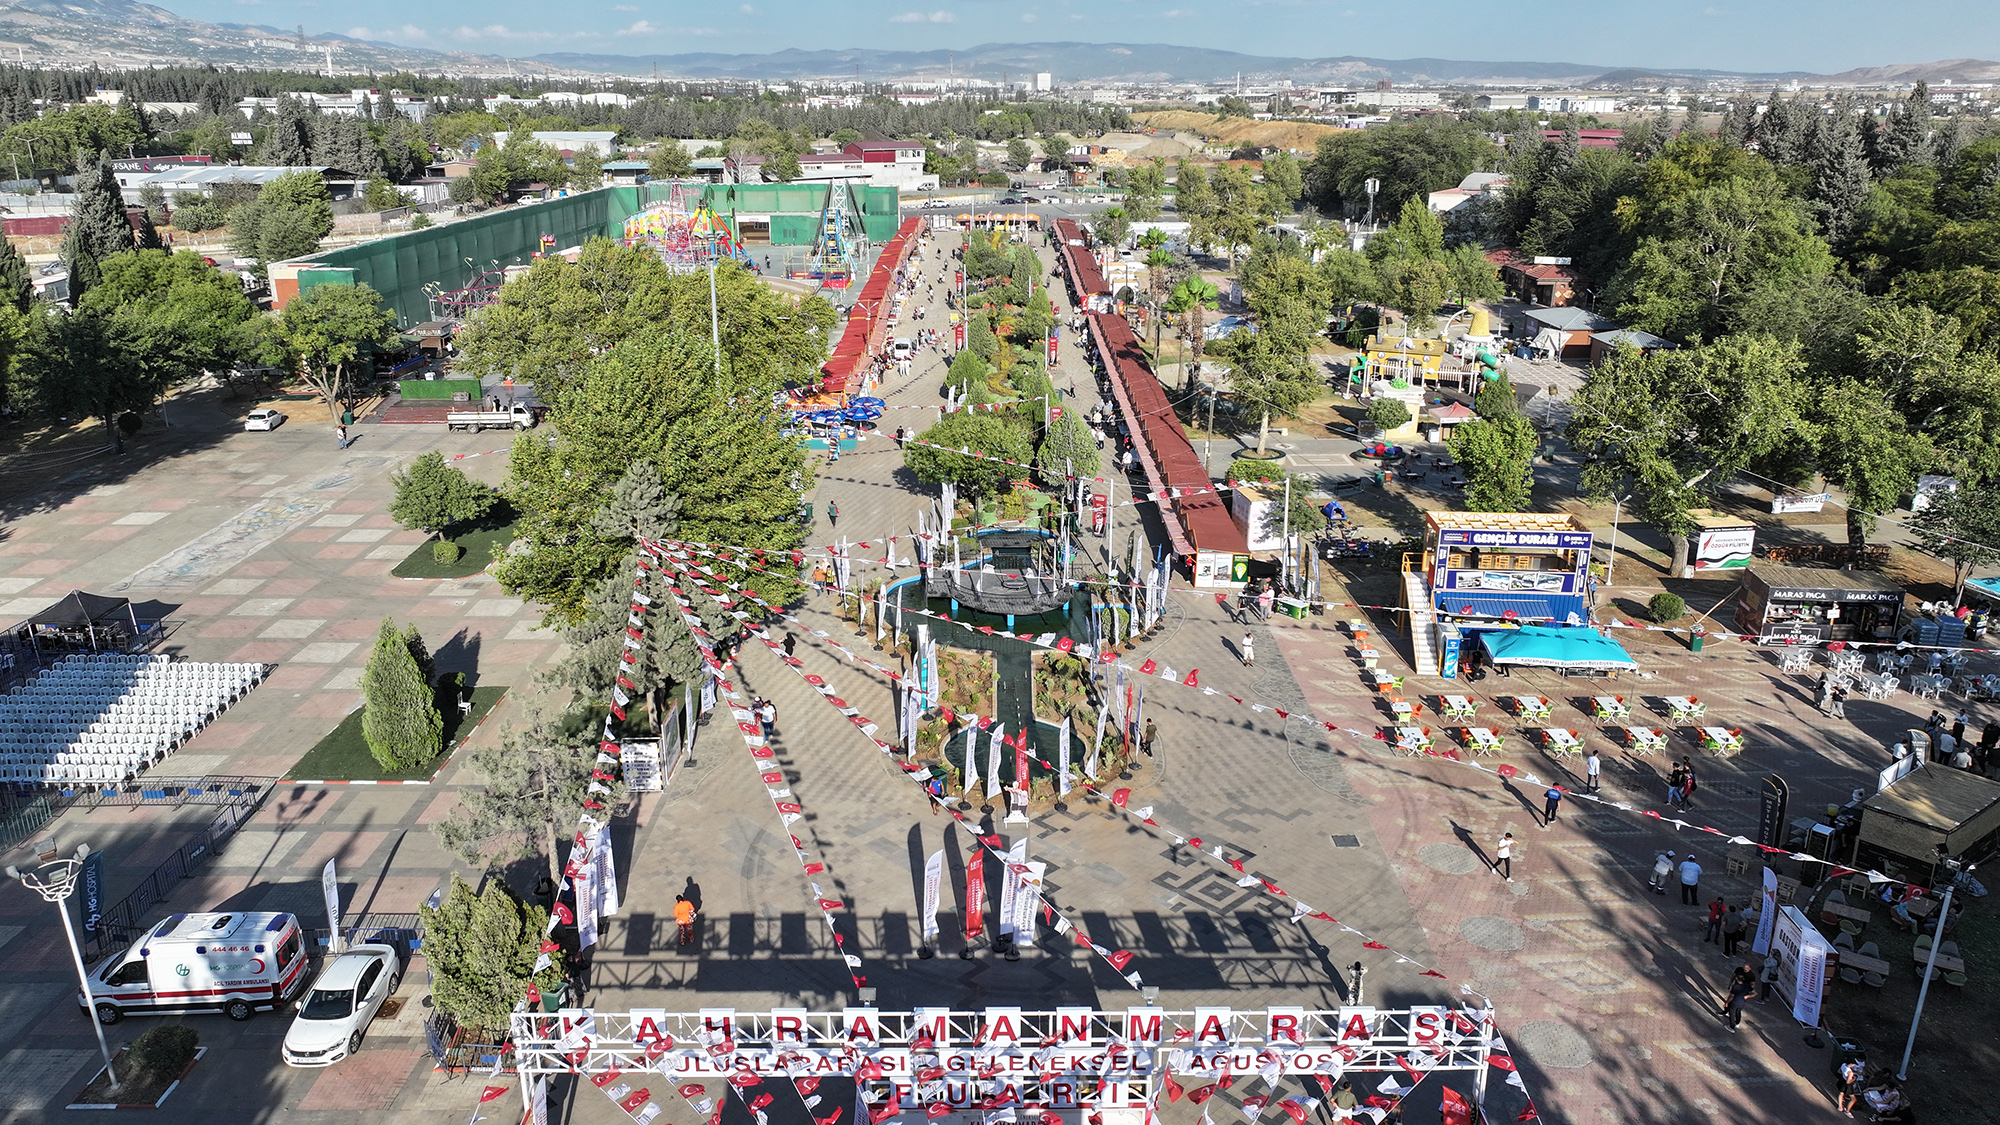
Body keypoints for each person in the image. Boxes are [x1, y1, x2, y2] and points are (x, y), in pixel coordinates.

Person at [1721, 963, 1757, 1030]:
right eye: (1743, 968)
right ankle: (1736, 1021)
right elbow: (1754, 992)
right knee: (1738, 1011)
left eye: (1746, 968)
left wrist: (1727, 1002)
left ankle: (1732, 1026)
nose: (1744, 969)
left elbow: (1731, 996)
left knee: (1733, 1010)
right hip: (1742, 999)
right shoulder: (1745, 984)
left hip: (1738, 996)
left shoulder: (1751, 976)